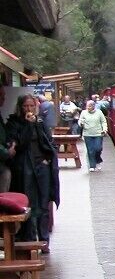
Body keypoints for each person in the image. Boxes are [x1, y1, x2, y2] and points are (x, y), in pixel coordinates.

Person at [5, 95, 59, 244]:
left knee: (44, 202)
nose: (29, 109)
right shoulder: (13, 124)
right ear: (20, 107)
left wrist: (48, 159)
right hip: (24, 168)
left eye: (31, 106)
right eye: (25, 106)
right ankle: (29, 238)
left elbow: (49, 142)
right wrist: (29, 126)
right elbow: (20, 144)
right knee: (28, 203)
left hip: (42, 167)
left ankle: (44, 240)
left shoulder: (40, 123)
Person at [79, 98, 108, 171]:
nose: (87, 108)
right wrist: (81, 123)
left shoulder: (99, 112)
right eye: (87, 106)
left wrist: (104, 129)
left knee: (98, 148)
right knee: (90, 150)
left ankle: (98, 160)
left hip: (98, 133)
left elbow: (103, 121)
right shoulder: (83, 112)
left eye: (89, 106)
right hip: (87, 134)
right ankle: (92, 166)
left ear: (93, 106)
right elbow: (80, 121)